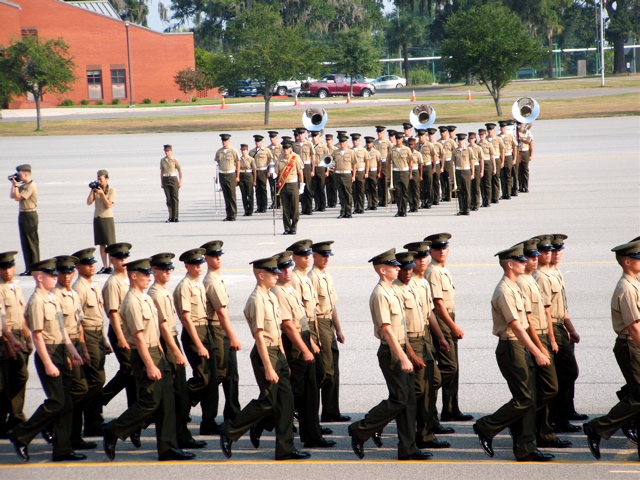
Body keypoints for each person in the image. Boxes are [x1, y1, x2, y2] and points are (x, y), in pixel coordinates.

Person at [102, 258, 196, 462]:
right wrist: (150, 364)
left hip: (157, 352)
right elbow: (138, 337)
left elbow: (155, 332)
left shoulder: (144, 298)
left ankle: (167, 447)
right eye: (145, 274)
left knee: (166, 404)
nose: (149, 277)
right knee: (150, 402)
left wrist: (162, 355)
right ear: (133, 276)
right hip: (144, 355)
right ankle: (114, 429)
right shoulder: (132, 302)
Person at [219, 255, 310, 461]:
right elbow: (259, 335)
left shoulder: (270, 296)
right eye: (272, 273)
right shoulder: (257, 300)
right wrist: (269, 367)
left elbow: (276, 332)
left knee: (286, 402)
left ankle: (285, 448)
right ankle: (230, 430)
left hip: (277, 353)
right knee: (268, 400)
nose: (277, 276)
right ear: (261, 275)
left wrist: (284, 359)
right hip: (265, 354)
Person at [472, 244, 554, 462]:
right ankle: (486, 426)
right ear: (510, 264)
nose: (525, 263)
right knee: (525, 398)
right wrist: (537, 351)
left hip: (519, 346)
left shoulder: (515, 286)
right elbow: (517, 327)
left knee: (528, 397)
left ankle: (525, 447)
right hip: (511, 346)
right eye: (520, 261)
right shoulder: (504, 291)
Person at [347, 248, 431, 461]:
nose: (398, 268)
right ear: (383, 270)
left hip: (401, 348)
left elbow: (401, 328)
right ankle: (360, 429)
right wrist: (402, 357)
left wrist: (409, 352)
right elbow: (386, 329)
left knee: (409, 401)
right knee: (400, 398)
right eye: (393, 266)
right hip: (391, 352)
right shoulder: (380, 294)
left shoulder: (392, 290)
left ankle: (408, 449)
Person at [10, 258, 85, 463]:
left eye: (55, 275)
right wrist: (48, 363)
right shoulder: (37, 302)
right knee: (57, 401)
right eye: (51, 275)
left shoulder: (52, 298)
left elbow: (62, 330)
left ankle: (63, 449)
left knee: (66, 404)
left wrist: (72, 351)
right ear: (40, 278)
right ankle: (20, 435)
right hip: (49, 354)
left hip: (61, 351)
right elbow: (37, 336)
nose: (55, 278)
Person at [583, 239, 640, 461]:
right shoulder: (626, 287)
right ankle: (598, 428)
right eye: (637, 258)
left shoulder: (633, 283)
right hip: (631, 345)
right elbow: (633, 326)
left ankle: (623, 423)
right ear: (627, 262)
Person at [271, 251, 334, 448]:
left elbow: (305, 317)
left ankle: (312, 434)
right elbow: (288, 326)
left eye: (289, 267)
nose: (287, 271)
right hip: (294, 343)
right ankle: (266, 421)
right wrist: (305, 348)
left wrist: (312, 342)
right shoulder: (278, 291)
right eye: (282, 268)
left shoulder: (290, 288)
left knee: (312, 385)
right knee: (297, 390)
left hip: (306, 337)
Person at [148, 252, 207, 450]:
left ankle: (181, 435)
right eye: (163, 269)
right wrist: (176, 352)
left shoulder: (163, 291)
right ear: (154, 271)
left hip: (172, 340)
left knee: (180, 393)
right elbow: (164, 328)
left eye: (169, 269)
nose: (168, 272)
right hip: (167, 343)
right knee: (173, 393)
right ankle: (175, 437)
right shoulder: (155, 294)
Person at [516, 238, 571, 449]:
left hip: (546, 334)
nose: (536, 258)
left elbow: (546, 309)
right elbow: (527, 319)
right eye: (530, 256)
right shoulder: (527, 280)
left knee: (549, 386)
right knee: (548, 386)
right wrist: (542, 344)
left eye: (534, 255)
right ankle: (523, 422)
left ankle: (539, 428)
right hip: (535, 337)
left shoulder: (531, 279)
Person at [394, 249, 451, 450]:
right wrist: (410, 353)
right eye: (404, 268)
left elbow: (429, 314)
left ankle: (425, 431)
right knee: (416, 390)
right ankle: (381, 422)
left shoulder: (421, 284)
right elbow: (396, 329)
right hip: (410, 342)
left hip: (424, 339)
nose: (409, 271)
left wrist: (441, 337)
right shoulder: (395, 291)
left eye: (410, 268)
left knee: (433, 381)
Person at [424, 233, 473, 423]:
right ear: (430, 251)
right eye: (437, 249)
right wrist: (452, 326)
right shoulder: (433, 271)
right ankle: (423, 395)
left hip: (448, 317)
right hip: (442, 319)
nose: (442, 252)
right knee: (449, 366)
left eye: (444, 248)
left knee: (454, 366)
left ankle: (451, 408)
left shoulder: (442, 269)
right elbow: (437, 304)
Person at [173, 248, 219, 435]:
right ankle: (179, 401)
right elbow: (186, 318)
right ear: (187, 266)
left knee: (211, 379)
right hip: (194, 333)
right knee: (202, 378)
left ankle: (209, 422)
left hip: (205, 329)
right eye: (195, 264)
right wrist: (199, 344)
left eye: (201, 263)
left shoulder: (198, 283)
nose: (199, 267)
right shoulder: (185, 286)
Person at [51, 255, 95, 450]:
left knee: (77, 392)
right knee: (77, 389)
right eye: (63, 272)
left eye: (70, 271)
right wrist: (70, 353)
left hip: (76, 343)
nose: (67, 275)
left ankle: (74, 437)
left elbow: (80, 324)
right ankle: (55, 424)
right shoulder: (55, 296)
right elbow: (58, 329)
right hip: (63, 346)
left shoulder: (73, 294)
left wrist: (84, 349)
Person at [72, 247, 112, 437]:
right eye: (87, 264)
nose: (92, 266)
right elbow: (78, 321)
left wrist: (104, 339)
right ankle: (73, 412)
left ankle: (94, 422)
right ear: (78, 267)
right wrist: (84, 348)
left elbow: (98, 316)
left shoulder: (93, 284)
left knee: (97, 379)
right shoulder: (78, 288)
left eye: (93, 262)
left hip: (97, 333)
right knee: (97, 379)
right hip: (87, 335)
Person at [201, 240, 241, 424]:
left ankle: (233, 413)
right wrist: (232, 336)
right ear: (206, 258)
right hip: (217, 329)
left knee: (231, 375)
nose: (218, 258)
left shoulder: (217, 278)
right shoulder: (211, 281)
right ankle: (208, 419)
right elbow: (221, 313)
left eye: (219, 255)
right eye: (214, 256)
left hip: (221, 328)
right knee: (219, 374)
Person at [102, 243, 138, 443]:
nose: (123, 261)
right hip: (120, 333)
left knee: (132, 375)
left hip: (132, 333)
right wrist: (121, 338)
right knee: (129, 371)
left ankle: (133, 418)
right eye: (119, 258)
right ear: (112, 261)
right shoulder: (113, 283)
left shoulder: (128, 278)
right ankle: (100, 399)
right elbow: (113, 313)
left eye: (126, 258)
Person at [309, 241, 349, 423]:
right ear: (314, 256)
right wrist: (316, 335)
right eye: (322, 255)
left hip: (329, 324)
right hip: (319, 324)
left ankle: (331, 411)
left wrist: (338, 329)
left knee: (334, 369)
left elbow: (332, 305)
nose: (326, 259)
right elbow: (311, 310)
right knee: (325, 371)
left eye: (328, 256)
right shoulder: (312, 278)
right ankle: (303, 408)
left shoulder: (327, 276)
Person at [0, 251, 31, 435]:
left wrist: (28, 339)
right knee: (4, 384)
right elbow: (2, 321)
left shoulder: (15, 287)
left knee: (21, 376)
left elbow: (22, 316)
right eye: (3, 268)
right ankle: (4, 422)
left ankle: (16, 416)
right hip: (6, 337)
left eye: (10, 267)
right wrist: (8, 344)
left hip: (18, 334)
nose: (7, 271)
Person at [9, 164, 39, 276]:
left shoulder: (30, 186)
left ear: (26, 174)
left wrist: (16, 186)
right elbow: (13, 196)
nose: (18, 175)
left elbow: (18, 197)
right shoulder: (24, 185)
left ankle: (35, 267)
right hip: (23, 214)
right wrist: (14, 185)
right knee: (25, 243)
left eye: (19, 174)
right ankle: (29, 267)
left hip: (30, 214)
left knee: (32, 243)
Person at [87, 169, 116, 274]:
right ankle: (105, 265)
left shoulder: (112, 190)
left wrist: (102, 194)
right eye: (98, 179)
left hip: (107, 218)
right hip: (98, 217)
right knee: (101, 244)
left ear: (107, 179)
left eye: (101, 179)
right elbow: (88, 202)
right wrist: (92, 190)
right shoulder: (96, 189)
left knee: (110, 244)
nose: (99, 181)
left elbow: (108, 205)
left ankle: (111, 266)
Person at [276, 140, 304, 235]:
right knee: (285, 208)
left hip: (293, 184)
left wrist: (302, 186)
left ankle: (294, 227)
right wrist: (272, 174)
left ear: (291, 149)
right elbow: (277, 172)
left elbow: (300, 173)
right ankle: (287, 228)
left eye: (287, 148)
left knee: (295, 207)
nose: (285, 150)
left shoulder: (295, 158)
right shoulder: (280, 158)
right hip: (284, 185)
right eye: (284, 148)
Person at [214, 133, 241, 222]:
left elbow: (238, 163)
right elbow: (218, 163)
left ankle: (233, 214)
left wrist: (237, 176)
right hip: (222, 174)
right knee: (226, 195)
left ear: (229, 141)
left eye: (225, 141)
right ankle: (228, 214)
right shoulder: (219, 151)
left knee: (232, 195)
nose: (224, 142)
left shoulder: (233, 151)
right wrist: (218, 176)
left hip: (231, 174)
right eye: (223, 141)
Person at [388, 132, 412, 217]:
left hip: (404, 172)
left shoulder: (407, 149)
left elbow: (410, 162)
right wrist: (389, 174)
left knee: (405, 191)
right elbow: (388, 162)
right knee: (397, 193)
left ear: (402, 139)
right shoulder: (392, 150)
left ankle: (404, 210)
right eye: (397, 138)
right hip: (395, 172)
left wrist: (411, 173)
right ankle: (399, 210)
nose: (398, 140)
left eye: (399, 138)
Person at [451, 133, 475, 216]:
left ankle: (467, 208)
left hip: (466, 171)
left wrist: (473, 173)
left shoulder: (469, 150)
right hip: (458, 171)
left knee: (467, 190)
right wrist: (452, 175)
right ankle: (461, 209)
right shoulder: (455, 151)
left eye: (462, 140)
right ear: (457, 141)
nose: (461, 142)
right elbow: (453, 163)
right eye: (459, 140)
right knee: (460, 191)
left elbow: (472, 161)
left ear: (464, 140)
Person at [249, 134, 274, 213]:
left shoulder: (266, 150)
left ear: (262, 142)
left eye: (259, 141)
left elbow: (270, 161)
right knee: (257, 190)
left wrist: (269, 171)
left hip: (263, 171)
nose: (257, 143)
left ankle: (264, 206)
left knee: (263, 189)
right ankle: (259, 206)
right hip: (255, 171)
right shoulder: (252, 151)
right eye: (256, 141)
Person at [293, 127, 315, 215]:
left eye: (302, 134)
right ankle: (303, 208)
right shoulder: (295, 145)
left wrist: (313, 170)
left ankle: (309, 208)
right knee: (301, 188)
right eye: (299, 134)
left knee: (308, 188)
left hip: (307, 166)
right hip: (298, 167)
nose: (301, 136)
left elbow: (313, 158)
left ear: (305, 134)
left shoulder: (309, 144)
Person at [160, 144, 183, 223]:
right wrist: (162, 182)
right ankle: (170, 217)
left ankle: (175, 217)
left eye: (168, 151)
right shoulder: (162, 160)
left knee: (175, 198)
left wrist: (180, 181)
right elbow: (162, 171)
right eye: (166, 151)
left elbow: (179, 170)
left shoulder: (175, 159)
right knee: (168, 199)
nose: (167, 153)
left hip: (173, 179)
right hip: (166, 178)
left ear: (171, 151)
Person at [350, 133, 369, 214]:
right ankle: (356, 208)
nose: (355, 142)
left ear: (359, 141)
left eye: (356, 140)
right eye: (353, 140)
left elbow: (367, 161)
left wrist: (366, 172)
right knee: (354, 191)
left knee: (361, 191)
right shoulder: (350, 150)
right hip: (352, 172)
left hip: (361, 172)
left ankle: (361, 208)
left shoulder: (363, 150)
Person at [498, 121, 517, 200]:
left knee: (508, 175)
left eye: (504, 127)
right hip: (500, 157)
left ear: (506, 128)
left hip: (508, 156)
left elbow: (515, 147)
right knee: (502, 176)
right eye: (501, 127)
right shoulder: (498, 137)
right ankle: (504, 193)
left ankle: (508, 193)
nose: (503, 129)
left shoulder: (510, 136)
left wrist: (514, 158)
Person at [477, 128, 496, 208]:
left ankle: (488, 201)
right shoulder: (477, 145)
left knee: (487, 183)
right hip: (479, 163)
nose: (481, 136)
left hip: (487, 163)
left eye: (482, 135)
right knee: (481, 184)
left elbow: (492, 157)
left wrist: (494, 168)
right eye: (480, 135)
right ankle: (484, 200)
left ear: (485, 135)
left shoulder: (489, 144)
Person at [373, 126, 391, 207]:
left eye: (380, 132)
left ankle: (385, 200)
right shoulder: (374, 142)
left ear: (383, 133)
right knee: (378, 182)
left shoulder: (387, 142)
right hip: (376, 163)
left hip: (384, 163)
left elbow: (390, 154)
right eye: (378, 132)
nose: (379, 134)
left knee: (384, 182)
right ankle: (380, 199)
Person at [486, 123, 504, 204]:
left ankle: (495, 197)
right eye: (488, 130)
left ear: (494, 130)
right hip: (488, 160)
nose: (489, 131)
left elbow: (502, 150)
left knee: (496, 178)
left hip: (496, 159)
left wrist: (502, 161)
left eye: (491, 130)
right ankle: (489, 198)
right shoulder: (485, 139)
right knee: (488, 179)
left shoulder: (498, 139)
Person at [238, 144, 257, 217]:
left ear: (247, 150)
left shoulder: (251, 159)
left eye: (244, 150)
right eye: (242, 150)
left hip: (249, 176)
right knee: (244, 194)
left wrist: (254, 180)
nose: (243, 152)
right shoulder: (239, 159)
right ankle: (246, 210)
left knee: (250, 194)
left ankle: (250, 210)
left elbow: (254, 170)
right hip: (242, 175)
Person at [417, 129, 434, 209]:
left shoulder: (429, 145)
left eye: (422, 136)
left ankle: (429, 201)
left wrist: (434, 167)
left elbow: (434, 156)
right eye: (419, 136)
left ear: (425, 136)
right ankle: (423, 201)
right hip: (419, 167)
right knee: (421, 185)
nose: (421, 137)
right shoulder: (416, 145)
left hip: (427, 166)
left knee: (429, 184)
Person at [467, 132, 484, 211]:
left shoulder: (478, 148)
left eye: (472, 138)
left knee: (476, 186)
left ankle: (476, 203)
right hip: (469, 167)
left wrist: (482, 171)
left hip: (477, 167)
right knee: (470, 187)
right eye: (470, 138)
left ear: (475, 139)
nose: (471, 140)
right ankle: (471, 204)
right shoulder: (466, 148)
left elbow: (481, 160)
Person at [427, 127, 444, 206]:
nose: (431, 136)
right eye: (430, 135)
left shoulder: (438, 144)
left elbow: (442, 156)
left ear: (435, 135)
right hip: (429, 163)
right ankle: (430, 198)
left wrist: (442, 167)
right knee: (430, 182)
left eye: (432, 135)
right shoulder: (426, 145)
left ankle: (436, 199)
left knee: (436, 181)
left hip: (436, 163)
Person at [517, 123, 534, 193]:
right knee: (518, 170)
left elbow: (531, 144)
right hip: (518, 152)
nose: (519, 125)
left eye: (520, 123)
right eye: (518, 123)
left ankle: (526, 186)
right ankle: (520, 186)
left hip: (525, 152)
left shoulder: (527, 132)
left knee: (525, 170)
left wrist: (531, 155)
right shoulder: (515, 132)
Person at [364, 136, 380, 210]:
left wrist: (379, 172)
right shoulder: (364, 151)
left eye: (369, 143)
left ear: (372, 143)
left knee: (373, 188)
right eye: (367, 142)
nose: (368, 144)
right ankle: (369, 204)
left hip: (373, 171)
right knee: (367, 188)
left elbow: (379, 162)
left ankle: (374, 203)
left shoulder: (376, 152)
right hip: (366, 171)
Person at [266, 131, 282, 209]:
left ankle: (280, 202)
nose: (272, 139)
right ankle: (274, 202)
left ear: (276, 138)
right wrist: (268, 171)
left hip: (279, 170)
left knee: (279, 187)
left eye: (273, 138)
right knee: (272, 187)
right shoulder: (267, 148)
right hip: (271, 170)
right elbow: (267, 161)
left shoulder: (281, 147)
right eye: (271, 138)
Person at [407, 137, 422, 213]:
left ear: (415, 145)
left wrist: (421, 175)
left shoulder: (418, 153)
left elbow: (420, 165)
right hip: (407, 171)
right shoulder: (406, 152)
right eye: (409, 144)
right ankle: (411, 206)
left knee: (416, 189)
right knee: (409, 190)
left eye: (412, 144)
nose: (410, 146)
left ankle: (416, 206)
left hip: (415, 171)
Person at [324, 134, 338, 208]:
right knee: (328, 187)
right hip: (326, 170)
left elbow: (336, 160)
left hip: (333, 170)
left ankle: (334, 201)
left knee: (334, 186)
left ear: (332, 140)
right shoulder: (324, 148)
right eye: (327, 140)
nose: (328, 141)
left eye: (329, 140)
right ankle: (329, 202)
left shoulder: (335, 149)